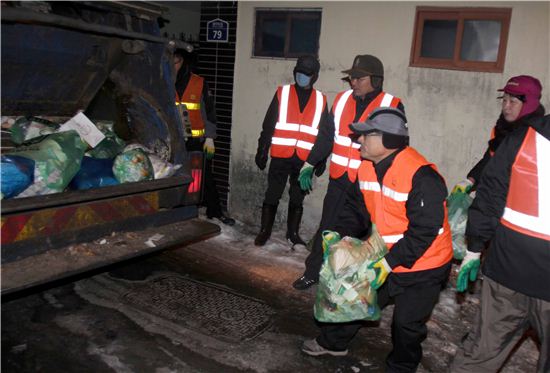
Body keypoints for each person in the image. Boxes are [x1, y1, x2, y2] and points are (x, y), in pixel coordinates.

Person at [301, 107, 453, 373]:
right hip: (385, 253)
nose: (358, 140)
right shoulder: (367, 169)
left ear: (388, 140)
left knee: (406, 324)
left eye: (366, 135)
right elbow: (355, 209)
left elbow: (424, 231)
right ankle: (334, 343)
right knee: (355, 296)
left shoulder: (422, 176)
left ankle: (402, 367)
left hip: (424, 264)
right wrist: (338, 234)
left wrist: (388, 264)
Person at [292, 54, 405, 290]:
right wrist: (310, 163)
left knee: (358, 237)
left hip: (369, 185)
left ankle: (346, 280)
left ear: (375, 79)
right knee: (327, 228)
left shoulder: (391, 105)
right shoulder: (342, 100)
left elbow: (397, 149)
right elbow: (326, 136)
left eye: (358, 78)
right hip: (340, 179)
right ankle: (313, 271)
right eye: (351, 77)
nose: (353, 82)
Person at [451, 113, 550, 371]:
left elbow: (490, 194)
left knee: (480, 354)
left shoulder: (524, 137)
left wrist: (474, 249)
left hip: (507, 272)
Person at [254, 55, 329, 248]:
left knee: (297, 197)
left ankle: (293, 233)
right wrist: (262, 148)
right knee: (273, 193)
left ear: (315, 77)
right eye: (299, 73)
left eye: (307, 74)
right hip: (281, 155)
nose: (302, 77)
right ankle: (265, 231)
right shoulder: (282, 93)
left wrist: (320, 160)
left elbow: (323, 133)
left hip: (304, 161)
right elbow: (268, 124)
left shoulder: (321, 100)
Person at [451, 75, 545, 194]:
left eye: (512, 102)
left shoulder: (539, 135)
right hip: (493, 201)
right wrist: (470, 180)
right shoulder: (501, 128)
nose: (506, 106)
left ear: (529, 105)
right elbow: (490, 159)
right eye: (504, 100)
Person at [173, 49, 235, 226]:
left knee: (204, 176)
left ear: (184, 62)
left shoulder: (198, 83)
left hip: (195, 140)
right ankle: (179, 209)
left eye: (177, 61)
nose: (174, 66)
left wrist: (210, 137)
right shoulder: (164, 81)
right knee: (175, 175)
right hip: (174, 140)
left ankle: (214, 211)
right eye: (171, 61)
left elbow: (210, 112)